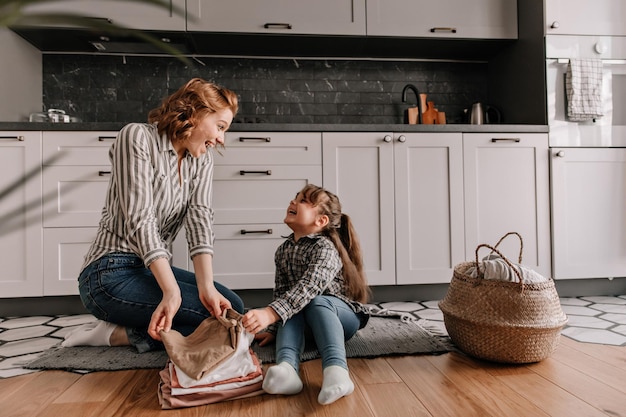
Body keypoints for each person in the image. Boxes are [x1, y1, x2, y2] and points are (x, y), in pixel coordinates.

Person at [62, 78, 244, 353]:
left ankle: (124, 330)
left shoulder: (202, 159)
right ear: (194, 112)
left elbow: (200, 219)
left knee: (232, 308)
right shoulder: (137, 137)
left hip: (148, 271)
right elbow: (140, 219)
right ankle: (113, 334)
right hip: (109, 274)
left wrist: (206, 286)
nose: (220, 139)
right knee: (213, 321)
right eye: (219, 127)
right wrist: (171, 292)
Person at [242, 184, 370, 405]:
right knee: (290, 307)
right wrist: (274, 327)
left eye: (303, 201)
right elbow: (282, 293)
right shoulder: (283, 250)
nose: (293, 202)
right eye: (295, 198)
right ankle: (286, 370)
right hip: (307, 319)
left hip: (341, 318)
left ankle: (336, 372)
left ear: (321, 221)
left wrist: (271, 314)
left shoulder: (326, 248)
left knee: (315, 301)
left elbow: (310, 287)